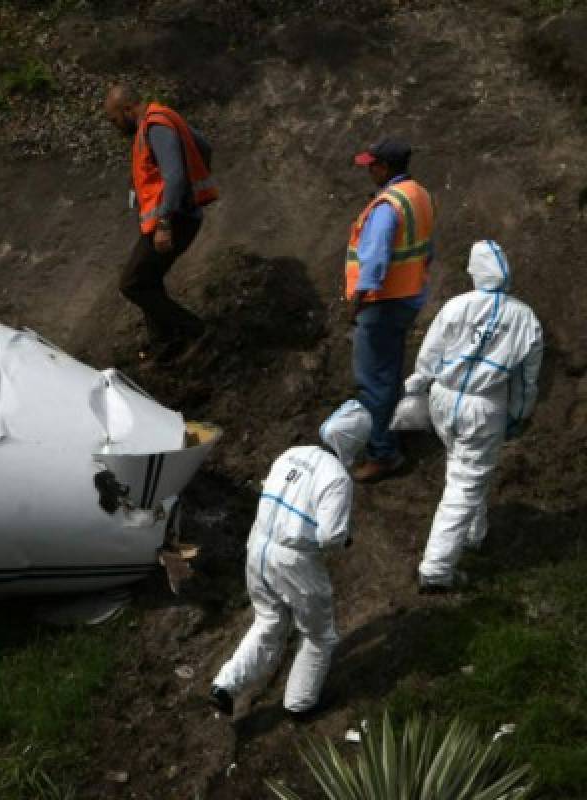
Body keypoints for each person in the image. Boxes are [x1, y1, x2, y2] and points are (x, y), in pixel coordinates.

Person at [209, 400, 372, 718]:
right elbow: (330, 537)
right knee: (318, 634)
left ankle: (225, 686)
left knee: (268, 621)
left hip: (257, 547)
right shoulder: (337, 478)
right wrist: (343, 538)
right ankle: (300, 703)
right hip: (293, 560)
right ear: (354, 443)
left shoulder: (291, 453)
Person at [405, 240, 543, 592]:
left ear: (475, 273)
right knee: (465, 484)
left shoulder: (456, 307)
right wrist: (520, 414)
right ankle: (436, 572)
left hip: (443, 398)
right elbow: (527, 380)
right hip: (484, 406)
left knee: (461, 462)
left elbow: (429, 354)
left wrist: (417, 386)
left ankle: (472, 535)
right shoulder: (525, 318)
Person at [103, 85, 218, 365]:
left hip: (175, 220)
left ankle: (197, 332)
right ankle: (166, 341)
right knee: (147, 279)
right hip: (178, 216)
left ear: (127, 110)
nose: (115, 127)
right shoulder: (160, 121)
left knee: (132, 284)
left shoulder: (156, 127)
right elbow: (203, 146)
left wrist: (165, 221)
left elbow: (175, 176)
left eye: (114, 119)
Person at [345, 138, 434, 482]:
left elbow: (374, 264)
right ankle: (393, 429)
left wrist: (355, 306)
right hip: (408, 297)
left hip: (380, 304)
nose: (368, 171)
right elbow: (427, 249)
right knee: (389, 371)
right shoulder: (419, 195)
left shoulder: (387, 206)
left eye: (371, 165)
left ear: (383, 167)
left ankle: (383, 453)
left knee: (372, 381)